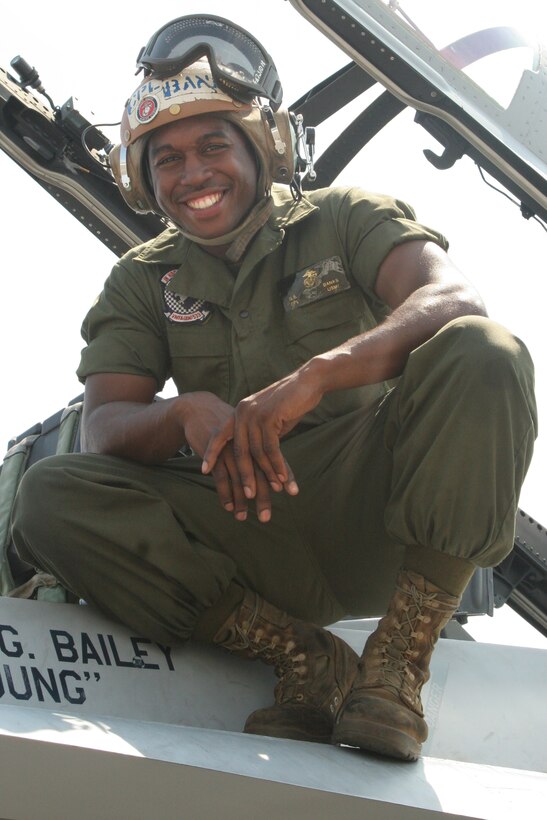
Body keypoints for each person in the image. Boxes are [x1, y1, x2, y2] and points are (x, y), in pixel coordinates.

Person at [11, 15, 537, 761]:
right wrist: (185, 413)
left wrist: (316, 377)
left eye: (213, 146)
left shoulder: (344, 217)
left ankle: (397, 665)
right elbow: (107, 425)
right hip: (241, 527)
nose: (192, 174)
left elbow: (449, 298)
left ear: (261, 149)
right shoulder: (143, 279)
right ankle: (302, 658)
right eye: (167, 159)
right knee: (50, 493)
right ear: (144, 178)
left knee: (485, 352)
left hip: (373, 513)